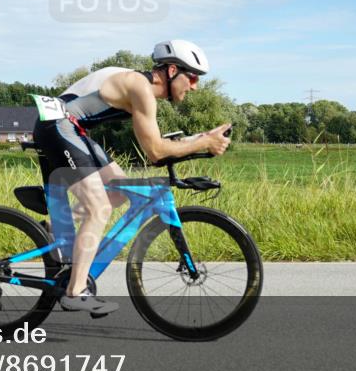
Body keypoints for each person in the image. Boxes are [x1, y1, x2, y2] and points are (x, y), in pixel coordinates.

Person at [32, 40, 232, 315]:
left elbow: (159, 144)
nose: (195, 86)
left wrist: (202, 139)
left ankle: (52, 229)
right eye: (193, 77)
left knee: (121, 191)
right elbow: (155, 152)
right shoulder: (140, 87)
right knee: (99, 207)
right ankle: (75, 292)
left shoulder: (139, 86)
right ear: (172, 71)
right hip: (59, 125)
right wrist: (203, 143)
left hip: (71, 127)